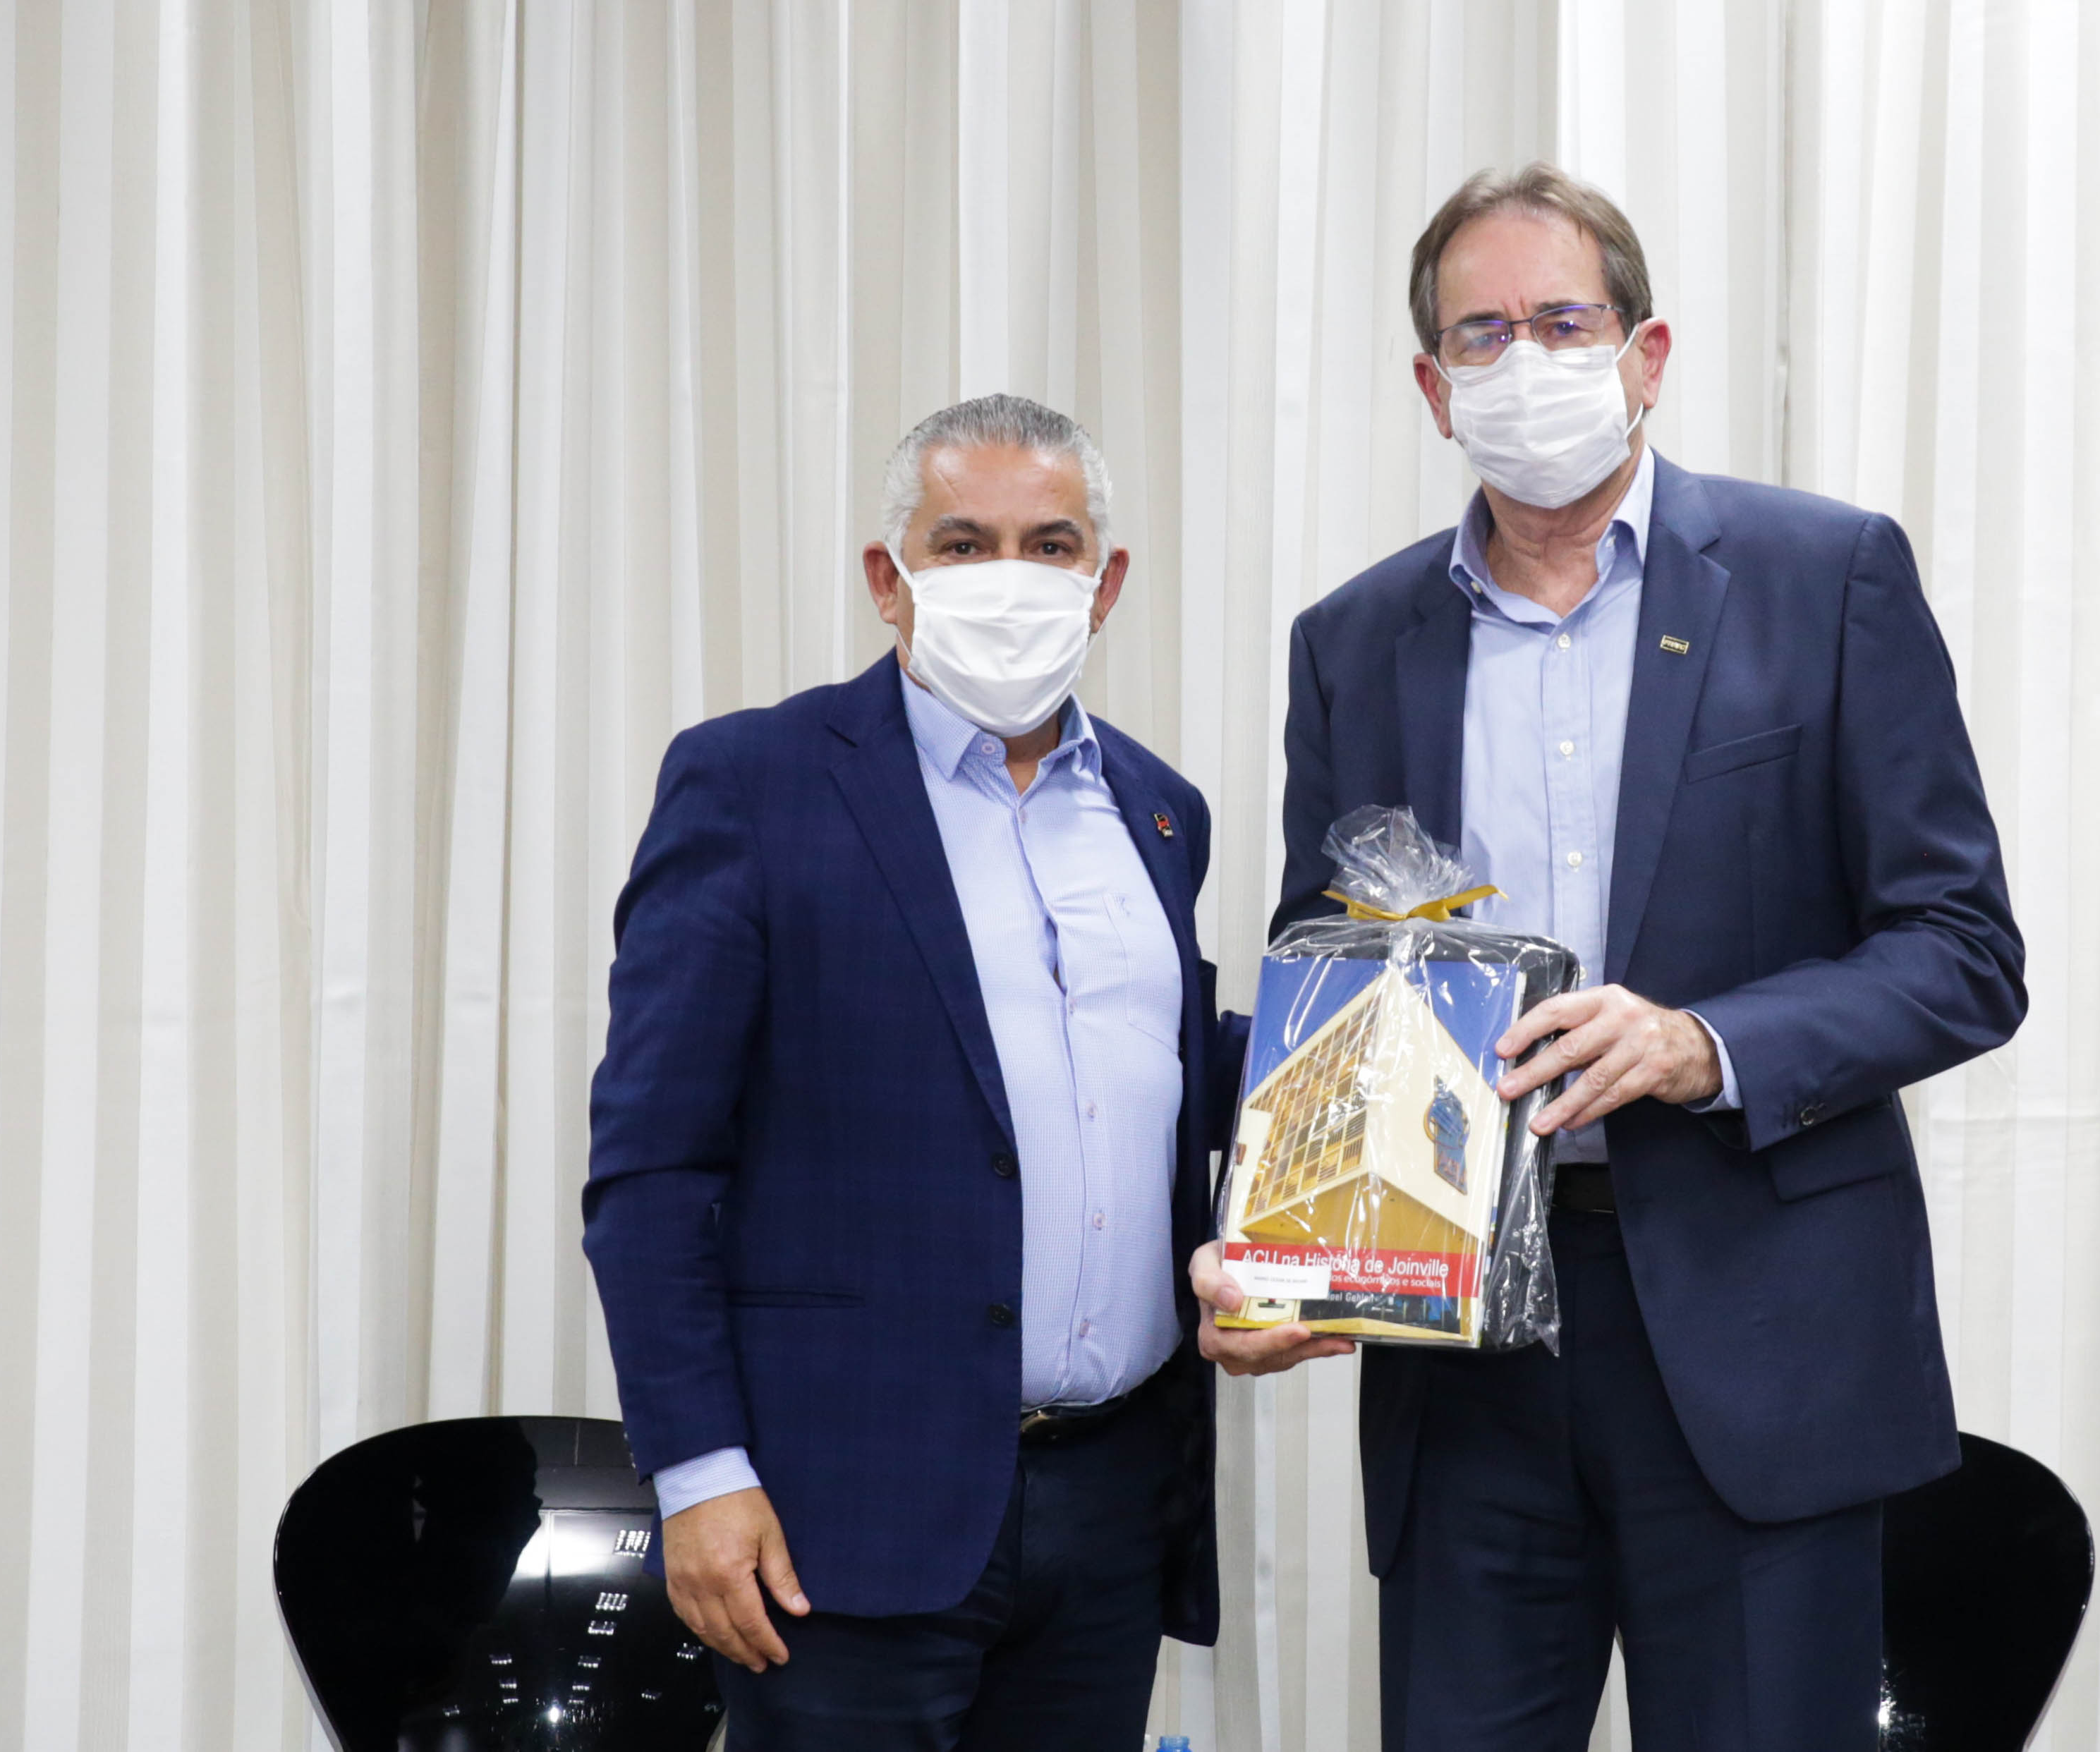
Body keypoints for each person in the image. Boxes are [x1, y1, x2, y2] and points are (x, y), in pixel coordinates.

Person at [1192, 164, 2027, 1751]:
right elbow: (1334, 998)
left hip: (1760, 1342)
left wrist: (1705, 1045)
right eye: (1483, 333)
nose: (1525, 361)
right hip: (1462, 1360)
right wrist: (1282, 1252)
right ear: (1433, 389)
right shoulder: (1352, 642)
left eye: (1563, 322)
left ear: (1646, 355)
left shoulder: (1824, 576)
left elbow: (1962, 949)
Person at [587, 394, 1232, 1751]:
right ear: (890, 579)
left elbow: (1171, 1080)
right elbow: (653, 1165)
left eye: (1050, 545)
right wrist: (696, 1472)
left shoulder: (1160, 810)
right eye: (963, 543)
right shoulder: (753, 783)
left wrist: (1394, 1049)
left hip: (1112, 1505)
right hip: (839, 1512)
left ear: (1106, 582)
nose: (1011, 576)